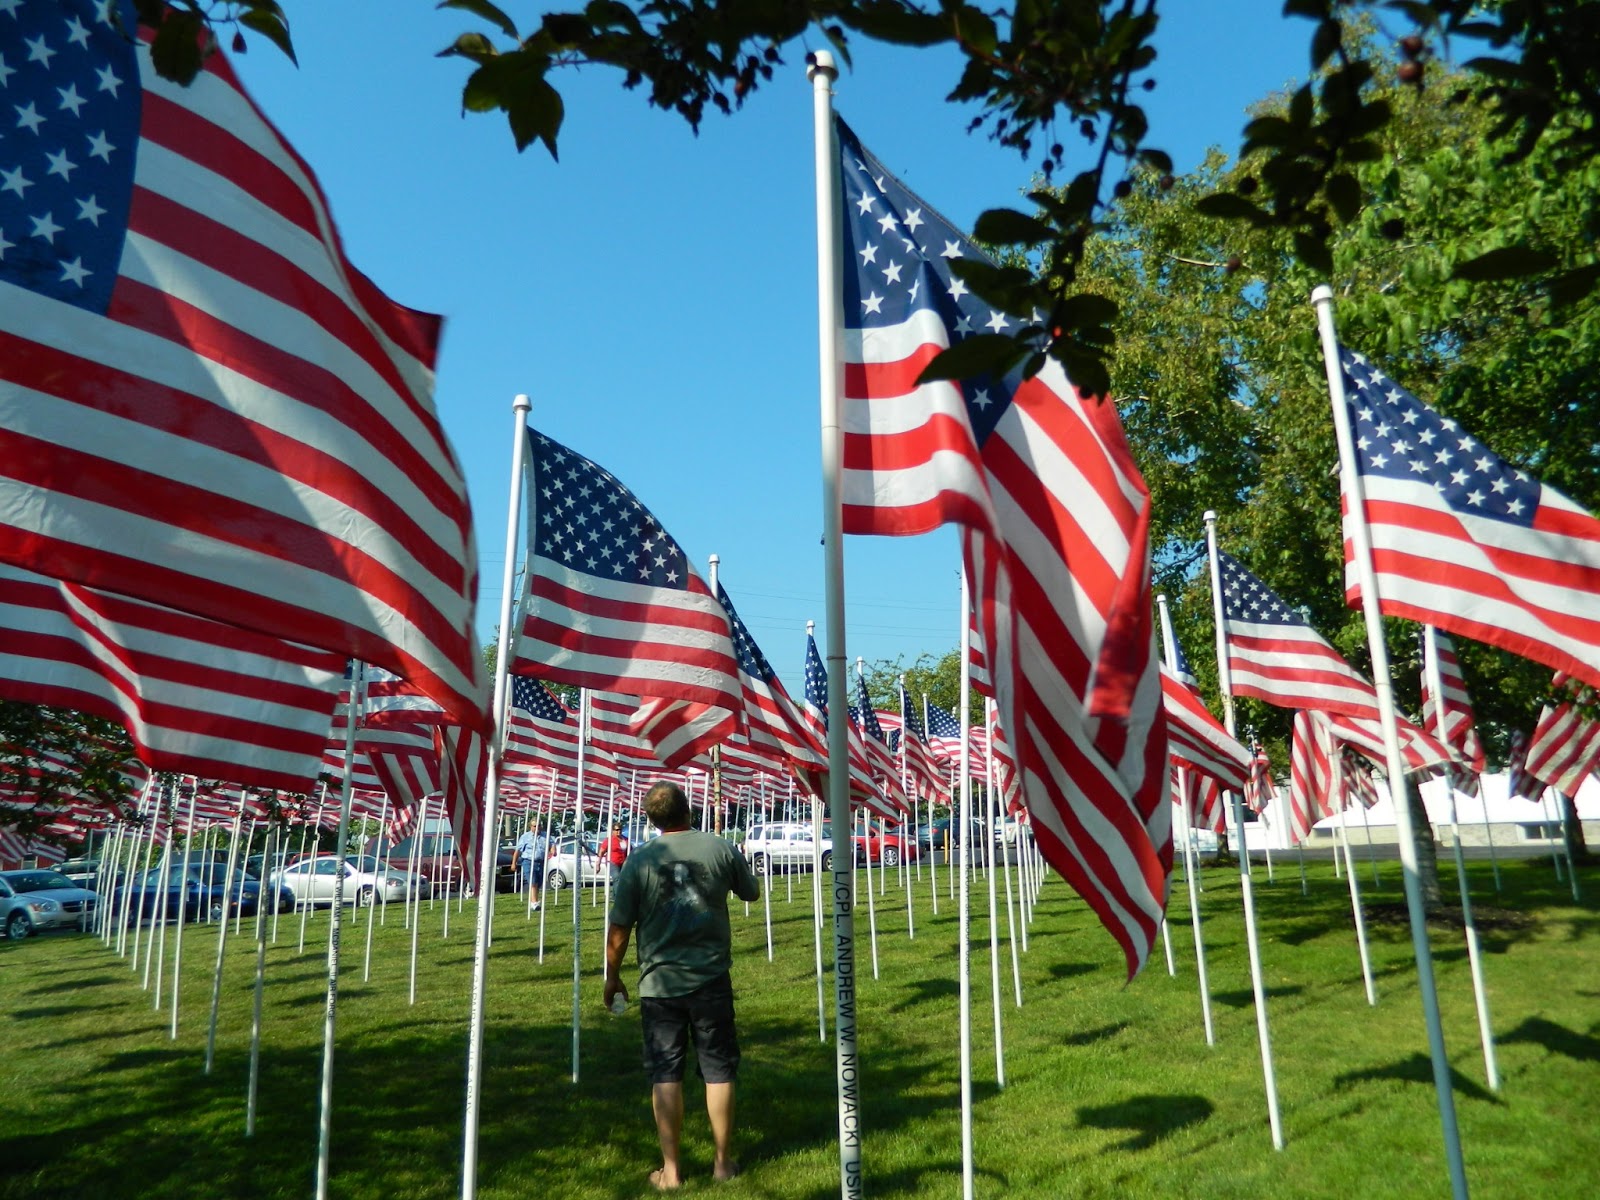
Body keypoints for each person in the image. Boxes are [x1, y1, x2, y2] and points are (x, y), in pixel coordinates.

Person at [604, 781, 760, 1190]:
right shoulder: (720, 847)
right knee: (719, 1069)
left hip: (659, 985)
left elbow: (620, 926)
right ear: (687, 810)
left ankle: (670, 1172)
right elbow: (752, 891)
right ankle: (723, 1164)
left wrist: (612, 975)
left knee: (664, 1072)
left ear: (652, 820)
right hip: (710, 977)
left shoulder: (639, 861)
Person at [510, 821, 545, 910]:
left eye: (539, 825)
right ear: (531, 827)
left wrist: (553, 850)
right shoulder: (525, 837)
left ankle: (535, 901)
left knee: (538, 883)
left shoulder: (545, 835)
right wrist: (514, 863)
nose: (537, 827)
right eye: (535, 826)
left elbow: (551, 844)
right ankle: (534, 903)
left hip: (540, 862)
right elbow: (518, 851)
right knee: (533, 882)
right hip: (528, 861)